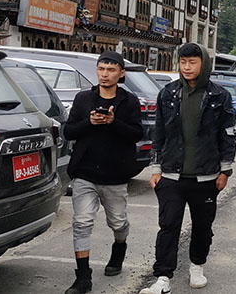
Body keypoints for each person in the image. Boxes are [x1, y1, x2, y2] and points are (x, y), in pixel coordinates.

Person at [140, 43, 236, 294]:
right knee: (168, 226)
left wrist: (225, 171)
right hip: (171, 174)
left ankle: (197, 266)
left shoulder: (219, 96)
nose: (187, 67)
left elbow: (227, 135)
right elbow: (158, 132)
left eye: (192, 62)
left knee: (202, 226)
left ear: (204, 64)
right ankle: (162, 277)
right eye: (183, 62)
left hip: (206, 176)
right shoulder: (168, 93)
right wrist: (156, 169)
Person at [62, 51, 143, 294]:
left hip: (115, 174)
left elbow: (136, 134)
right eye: (101, 69)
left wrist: (113, 123)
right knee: (82, 222)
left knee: (117, 222)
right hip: (85, 172)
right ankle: (83, 277)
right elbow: (69, 131)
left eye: (110, 70)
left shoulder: (129, 101)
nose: (105, 74)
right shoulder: (83, 98)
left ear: (121, 73)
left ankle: (119, 250)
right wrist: (89, 122)